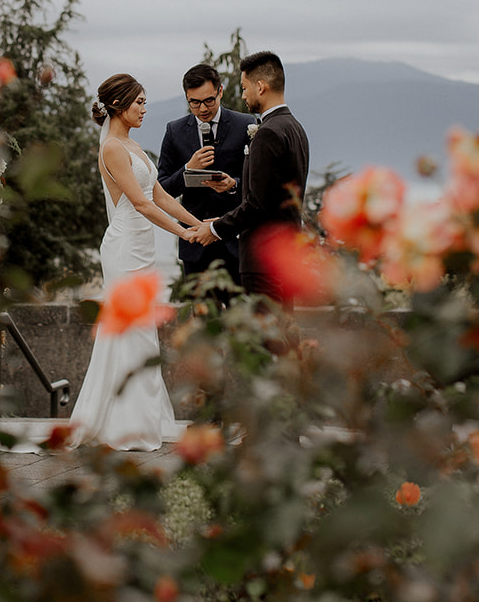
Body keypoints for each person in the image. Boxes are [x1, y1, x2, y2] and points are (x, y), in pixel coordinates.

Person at [69, 73, 201, 450]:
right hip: (126, 246)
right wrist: (183, 234)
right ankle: (124, 424)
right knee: (130, 330)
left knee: (141, 330)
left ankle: (137, 419)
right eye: (139, 102)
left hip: (142, 247)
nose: (144, 108)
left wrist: (199, 224)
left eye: (144, 102)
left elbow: (159, 195)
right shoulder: (112, 147)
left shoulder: (134, 146)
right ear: (118, 105)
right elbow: (140, 205)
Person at [190, 50, 309, 300]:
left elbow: (257, 204)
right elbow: (273, 197)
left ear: (260, 86)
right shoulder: (295, 127)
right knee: (281, 335)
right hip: (285, 255)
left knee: (265, 338)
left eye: (244, 88)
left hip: (263, 258)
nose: (243, 95)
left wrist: (214, 228)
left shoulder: (267, 132)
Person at [156, 63, 247, 289]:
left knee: (241, 319)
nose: (202, 108)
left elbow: (258, 183)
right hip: (195, 244)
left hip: (234, 241)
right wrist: (188, 168)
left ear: (220, 92)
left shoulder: (245, 124)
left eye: (209, 100)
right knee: (202, 319)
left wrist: (233, 185)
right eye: (194, 103)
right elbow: (162, 189)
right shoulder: (174, 131)